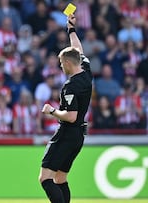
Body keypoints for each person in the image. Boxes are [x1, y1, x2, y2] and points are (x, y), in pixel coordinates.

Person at [39, 14, 92, 203]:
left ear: (68, 63)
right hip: (78, 136)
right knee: (60, 179)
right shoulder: (86, 73)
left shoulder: (70, 86)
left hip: (67, 133)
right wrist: (71, 29)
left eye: (62, 63)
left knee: (45, 178)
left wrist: (51, 111)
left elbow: (70, 116)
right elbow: (78, 49)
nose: (61, 67)